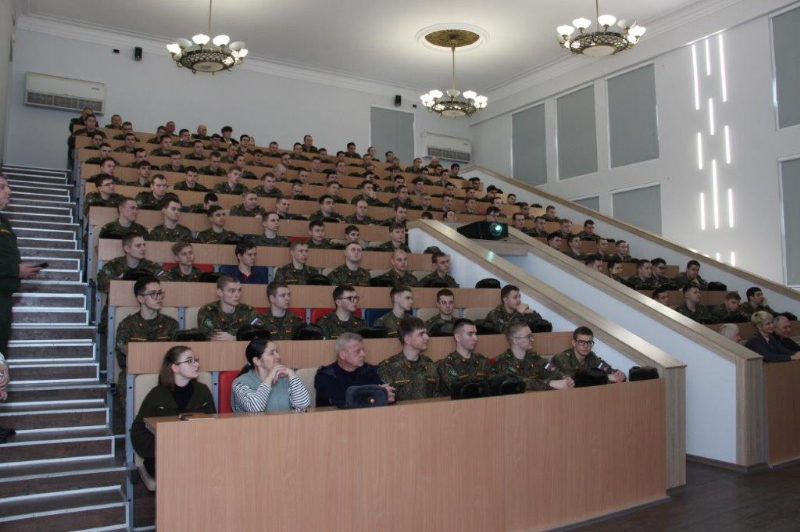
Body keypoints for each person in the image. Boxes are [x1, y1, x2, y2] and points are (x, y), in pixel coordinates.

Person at [130, 346, 216, 477]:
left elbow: (214, 426)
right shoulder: (156, 394)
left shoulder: (203, 391)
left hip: (195, 454)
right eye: (190, 361)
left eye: (195, 360)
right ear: (175, 368)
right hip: (162, 457)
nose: (197, 364)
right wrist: (161, 449)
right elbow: (139, 432)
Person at [115, 277, 179, 396]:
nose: (158, 297)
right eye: (153, 294)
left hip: (164, 371)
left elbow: (176, 356)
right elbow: (122, 360)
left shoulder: (171, 324)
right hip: (136, 371)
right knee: (125, 380)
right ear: (140, 299)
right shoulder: (127, 325)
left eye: (160, 293)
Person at [0, 175, 42, 356]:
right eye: (2, 187)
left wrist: (19, 270)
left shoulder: (3, 221)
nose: (9, 191)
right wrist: (15, 269)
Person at [314, 333, 396, 407]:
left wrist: (387, 395)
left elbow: (389, 394)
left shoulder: (369, 370)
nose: (363, 354)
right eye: (357, 351)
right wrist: (376, 395)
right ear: (342, 355)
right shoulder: (325, 375)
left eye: (363, 350)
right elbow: (338, 400)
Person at [232, 337, 311, 412]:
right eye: (271, 353)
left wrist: (292, 374)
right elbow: (255, 407)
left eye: (277, 352)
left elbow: (303, 406)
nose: (278, 356)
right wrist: (269, 378)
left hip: (285, 422)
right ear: (257, 361)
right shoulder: (240, 383)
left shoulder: (285, 378)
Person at [494, 322, 574, 391]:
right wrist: (549, 383)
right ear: (515, 340)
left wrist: (564, 378)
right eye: (528, 337)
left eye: (531, 336)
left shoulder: (535, 358)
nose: (532, 339)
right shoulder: (502, 361)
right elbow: (518, 382)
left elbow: (550, 369)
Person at [377, 317, 440, 400]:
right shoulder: (388, 366)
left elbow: (437, 397)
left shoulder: (429, 364)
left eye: (426, 333)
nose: (427, 337)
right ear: (407, 339)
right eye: (421, 334)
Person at [437, 319, 494, 395]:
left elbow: (492, 384)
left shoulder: (481, 360)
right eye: (470, 334)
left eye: (475, 334)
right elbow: (458, 390)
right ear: (458, 337)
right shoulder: (448, 364)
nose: (476, 338)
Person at [551, 326, 627, 382]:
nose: (586, 346)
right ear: (574, 343)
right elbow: (574, 380)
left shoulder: (591, 357)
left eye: (589, 342)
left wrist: (619, 375)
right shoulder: (562, 358)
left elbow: (608, 370)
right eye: (581, 342)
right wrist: (606, 377)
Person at [197, 275, 262, 340]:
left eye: (239, 290)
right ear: (220, 292)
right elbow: (213, 337)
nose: (238, 295)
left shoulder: (248, 311)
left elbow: (261, 332)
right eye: (232, 291)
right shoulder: (207, 311)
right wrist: (241, 335)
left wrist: (235, 338)